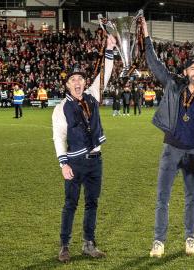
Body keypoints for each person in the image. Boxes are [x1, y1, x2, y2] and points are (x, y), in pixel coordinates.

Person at [141, 17, 194, 258]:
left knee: (191, 199)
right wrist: (145, 36)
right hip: (171, 150)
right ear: (185, 72)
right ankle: (158, 241)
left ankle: (190, 238)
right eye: (193, 69)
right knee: (162, 198)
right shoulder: (173, 85)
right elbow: (154, 64)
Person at [52, 34, 116, 263]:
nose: (77, 83)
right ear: (67, 85)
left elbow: (105, 75)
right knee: (70, 204)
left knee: (92, 203)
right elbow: (58, 137)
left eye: (80, 78)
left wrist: (109, 50)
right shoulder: (60, 108)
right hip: (74, 162)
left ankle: (88, 244)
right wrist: (63, 163)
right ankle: (64, 246)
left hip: (95, 160)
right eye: (73, 80)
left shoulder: (92, 95)